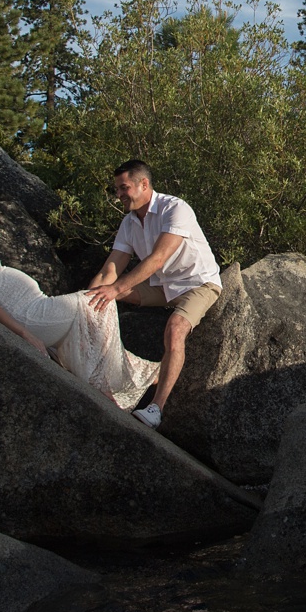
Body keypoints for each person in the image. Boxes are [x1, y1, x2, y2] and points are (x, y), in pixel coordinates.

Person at [0, 222, 160, 411]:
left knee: (96, 311)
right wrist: (23, 332)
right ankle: (114, 386)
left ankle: (127, 380)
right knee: (99, 300)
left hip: (38, 308)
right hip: (29, 316)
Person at [85, 160, 222, 429]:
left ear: (144, 185)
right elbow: (111, 268)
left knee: (176, 328)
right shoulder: (129, 223)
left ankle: (155, 409)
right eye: (117, 190)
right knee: (102, 297)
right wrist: (86, 300)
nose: (119, 195)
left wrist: (116, 288)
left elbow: (158, 259)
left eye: (124, 188)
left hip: (198, 284)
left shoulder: (175, 209)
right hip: (163, 287)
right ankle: (89, 359)